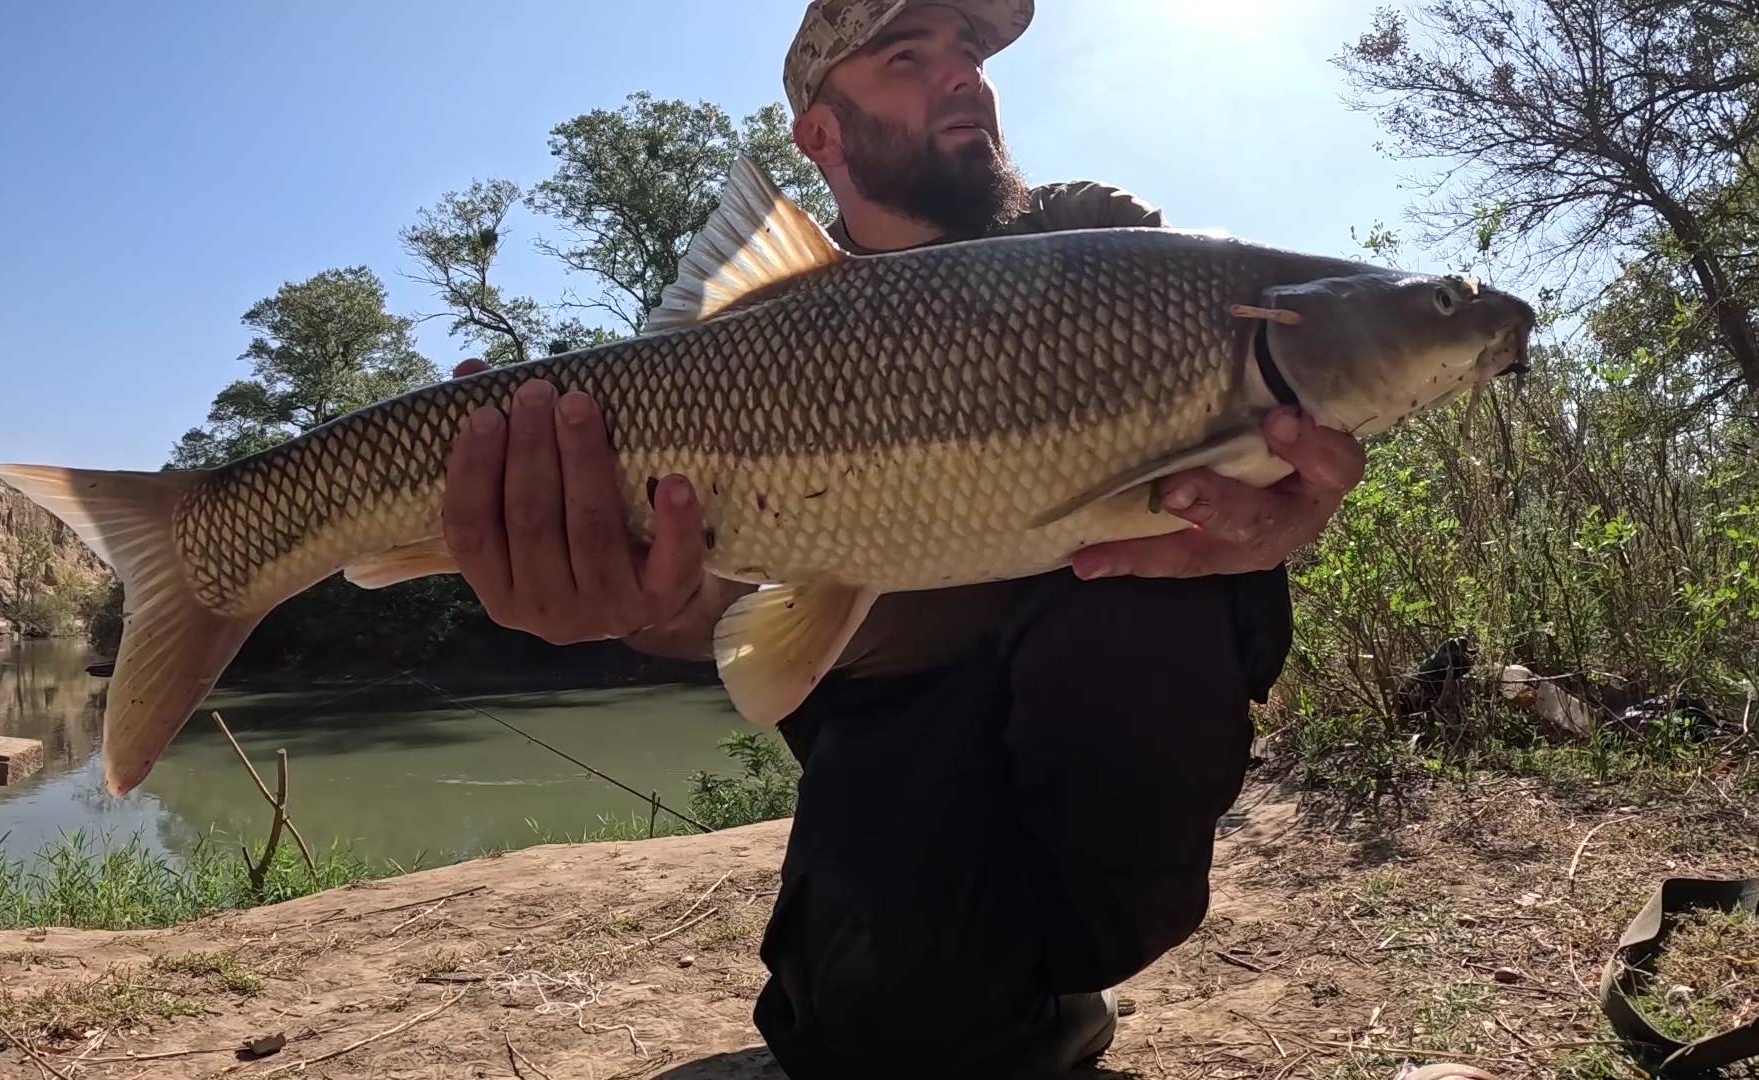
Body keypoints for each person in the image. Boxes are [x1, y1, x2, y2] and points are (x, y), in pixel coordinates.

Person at [440, 2, 1366, 1075]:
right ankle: (968, 977)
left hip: (1085, 660)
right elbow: (724, 618)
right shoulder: (752, 324)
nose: (963, 75)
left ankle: (1068, 954)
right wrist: (621, 609)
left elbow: (1239, 450)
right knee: (878, 1025)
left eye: (971, 52)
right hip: (888, 704)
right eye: (907, 56)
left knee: (1141, 601)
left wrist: (1282, 514)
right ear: (819, 135)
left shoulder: (1095, 238)